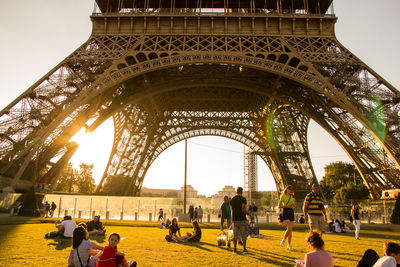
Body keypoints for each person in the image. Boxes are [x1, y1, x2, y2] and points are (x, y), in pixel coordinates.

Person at [230, 187, 252, 254]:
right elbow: (243, 210)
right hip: (242, 219)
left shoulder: (232, 199)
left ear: (236, 192)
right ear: (242, 192)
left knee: (235, 235)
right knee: (243, 235)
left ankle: (235, 249)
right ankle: (244, 249)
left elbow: (232, 210)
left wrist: (232, 219)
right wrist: (249, 215)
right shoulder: (243, 199)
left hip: (234, 219)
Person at [279, 185, 296, 250]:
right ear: (286, 189)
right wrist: (288, 206)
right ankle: (283, 240)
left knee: (290, 229)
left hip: (291, 212)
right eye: (289, 189)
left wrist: (291, 205)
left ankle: (289, 245)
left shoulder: (292, 197)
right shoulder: (283, 196)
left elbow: (294, 206)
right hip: (285, 212)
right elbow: (279, 205)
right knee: (289, 228)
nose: (291, 190)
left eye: (292, 189)